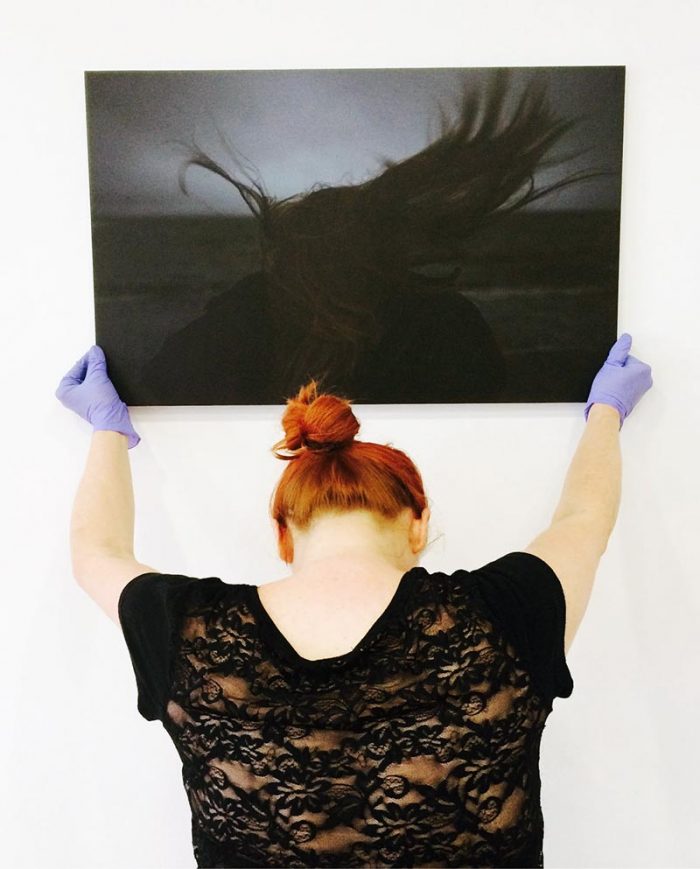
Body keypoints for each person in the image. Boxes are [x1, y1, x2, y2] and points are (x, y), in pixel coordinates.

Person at [55, 332, 652, 867]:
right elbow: (584, 519)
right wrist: (606, 412)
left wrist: (108, 430)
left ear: (283, 535)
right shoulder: (506, 610)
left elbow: (95, 552)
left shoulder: (186, 629)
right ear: (418, 523)